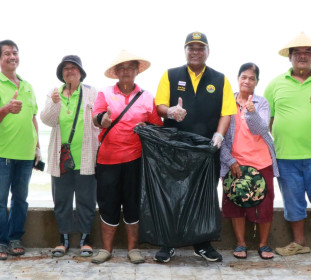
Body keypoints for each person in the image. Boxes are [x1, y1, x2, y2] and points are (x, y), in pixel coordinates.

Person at [154, 31, 236, 263]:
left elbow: (226, 112)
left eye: (201, 48)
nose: (196, 52)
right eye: (191, 47)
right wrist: (170, 111)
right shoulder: (170, 75)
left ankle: (202, 244)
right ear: (185, 50)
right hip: (175, 148)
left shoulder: (220, 79)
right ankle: (167, 243)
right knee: (173, 194)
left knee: (205, 197)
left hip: (207, 150)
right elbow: (159, 105)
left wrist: (219, 135)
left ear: (208, 51)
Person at [91, 50, 163, 264]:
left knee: (133, 204)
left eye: (129, 67)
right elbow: (96, 117)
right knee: (107, 204)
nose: (125, 71)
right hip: (107, 160)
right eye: (121, 68)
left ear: (136, 71)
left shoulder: (147, 96)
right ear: (115, 72)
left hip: (135, 159)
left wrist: (147, 125)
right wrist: (102, 120)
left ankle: (133, 249)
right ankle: (106, 249)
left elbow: (157, 126)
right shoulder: (104, 93)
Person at [264, 32, 311, 256]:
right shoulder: (275, 84)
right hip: (286, 156)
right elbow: (266, 119)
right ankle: (299, 243)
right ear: (289, 57)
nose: (302, 56)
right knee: (293, 202)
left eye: (307, 52)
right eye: (297, 52)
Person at [0, 40, 41, 260]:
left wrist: (37, 149)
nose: (12, 56)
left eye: (15, 52)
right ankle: (0, 241)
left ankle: (15, 237)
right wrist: (7, 108)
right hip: (2, 153)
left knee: (20, 199)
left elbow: (33, 117)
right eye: (7, 53)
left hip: (26, 154)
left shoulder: (27, 85)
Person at [40, 55, 99, 257]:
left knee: (87, 200)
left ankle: (86, 239)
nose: (69, 71)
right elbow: (46, 120)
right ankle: (63, 239)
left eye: (73, 68)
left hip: (86, 157)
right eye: (65, 69)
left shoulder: (92, 93)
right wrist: (55, 103)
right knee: (62, 200)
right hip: (61, 158)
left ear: (81, 72)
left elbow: (100, 119)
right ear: (61, 74)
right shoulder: (54, 93)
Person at [220, 63, 279, 259]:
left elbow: (261, 130)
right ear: (238, 78)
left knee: (264, 204)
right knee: (236, 202)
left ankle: (263, 244)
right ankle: (241, 244)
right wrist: (229, 161)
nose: (247, 81)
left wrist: (251, 112)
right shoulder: (228, 103)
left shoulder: (261, 102)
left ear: (257, 82)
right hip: (235, 163)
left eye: (252, 78)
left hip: (261, 162)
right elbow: (220, 134)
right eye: (244, 77)